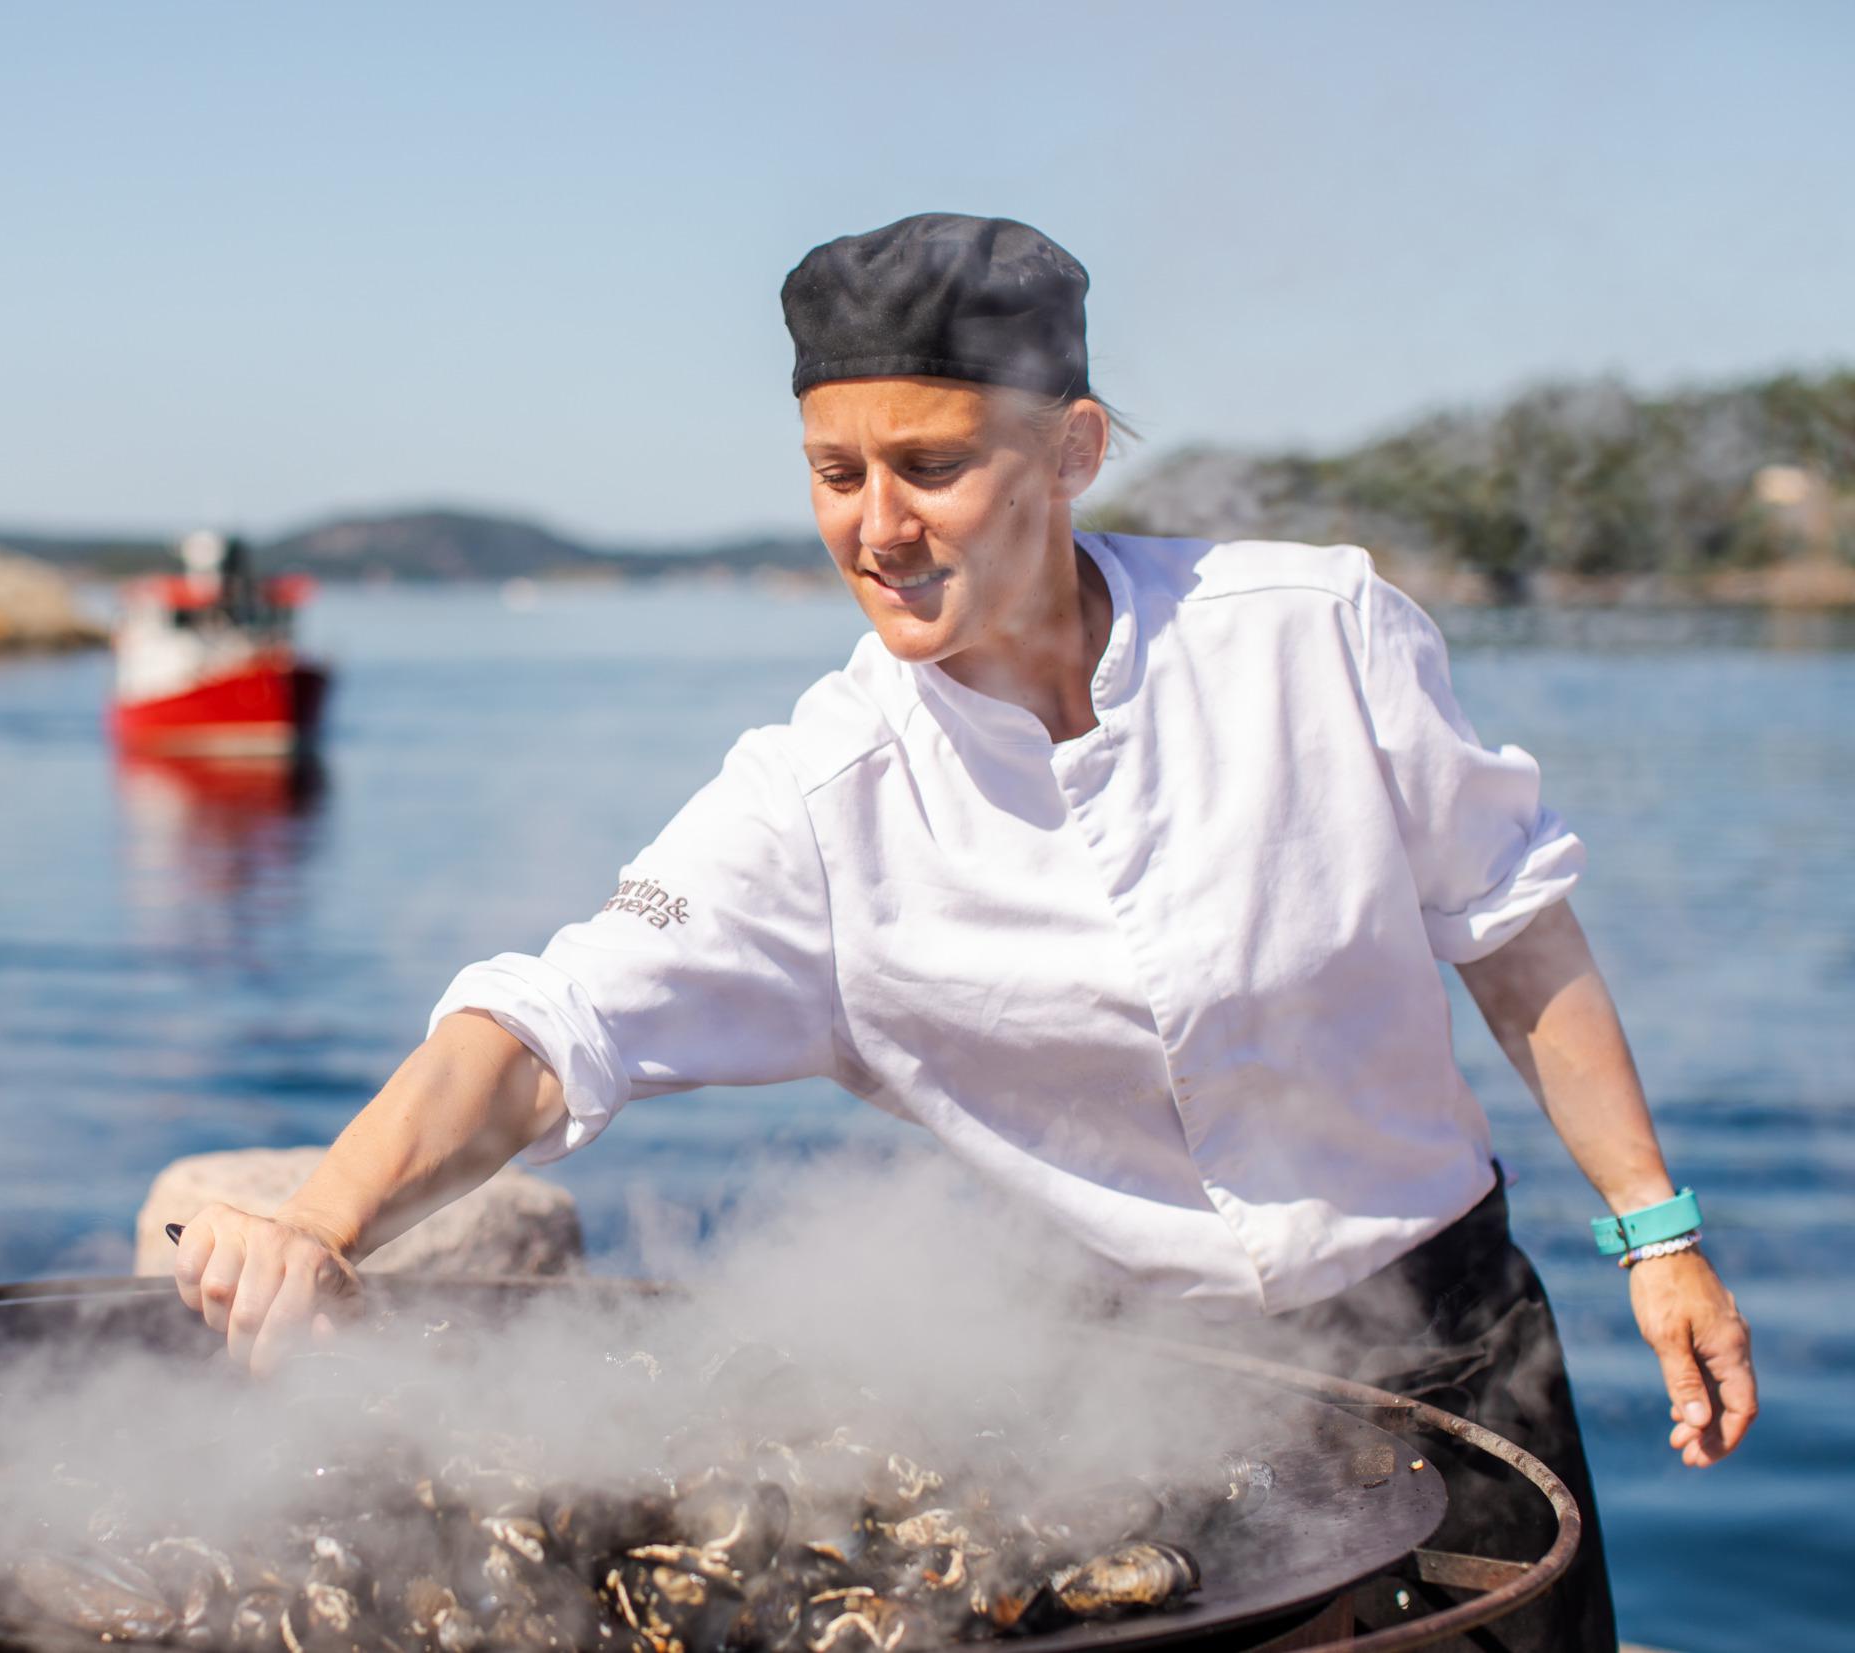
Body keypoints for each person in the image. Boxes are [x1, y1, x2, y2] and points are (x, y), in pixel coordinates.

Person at [170, 213, 1756, 1649]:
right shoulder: (818, 800)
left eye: (930, 465)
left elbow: (1512, 926)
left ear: (1073, 448)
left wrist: (1657, 1230)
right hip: (1138, 1426)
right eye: (834, 472)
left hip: (1456, 1350)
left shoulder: (1316, 632)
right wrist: (324, 1218)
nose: (876, 525)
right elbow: (544, 1029)